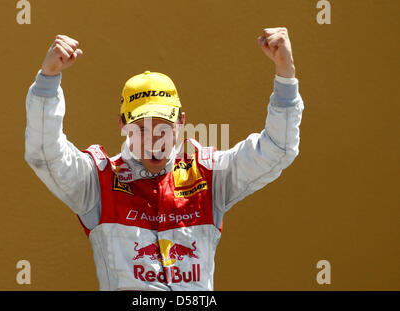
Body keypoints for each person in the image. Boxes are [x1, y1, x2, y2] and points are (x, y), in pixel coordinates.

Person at [24, 27, 304, 291]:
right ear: (123, 124)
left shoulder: (209, 175)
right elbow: (44, 153)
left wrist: (286, 75)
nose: (154, 141)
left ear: (181, 122)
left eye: (164, 127)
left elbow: (277, 149)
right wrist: (47, 80)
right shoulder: (98, 180)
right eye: (141, 129)